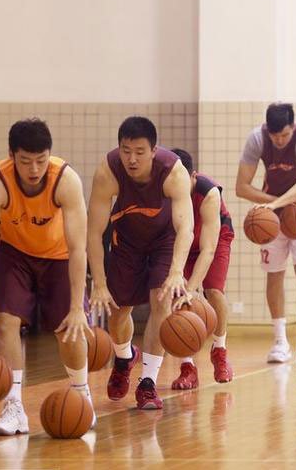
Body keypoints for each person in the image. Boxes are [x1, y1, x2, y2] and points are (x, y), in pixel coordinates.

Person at [0, 118, 93, 435]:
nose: (34, 169)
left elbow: (78, 248)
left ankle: (81, 394)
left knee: (69, 328)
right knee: (6, 322)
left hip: (59, 255)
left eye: (41, 160)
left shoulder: (66, 180)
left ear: (49, 154)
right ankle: (13, 408)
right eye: (25, 161)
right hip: (15, 253)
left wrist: (77, 306)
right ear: (12, 155)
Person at [86, 116, 194, 410]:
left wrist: (176, 272)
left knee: (161, 300)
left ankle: (147, 382)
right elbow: (93, 232)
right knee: (118, 311)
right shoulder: (108, 171)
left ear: (154, 150)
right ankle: (124, 357)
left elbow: (186, 227)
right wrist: (99, 283)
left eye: (139, 152)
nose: (131, 159)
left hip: (164, 239)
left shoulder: (173, 172)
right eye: (126, 151)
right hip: (127, 240)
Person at [236, 103, 296, 366]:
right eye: (275, 136)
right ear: (268, 130)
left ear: (293, 127)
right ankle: (280, 341)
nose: (280, 140)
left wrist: (276, 204)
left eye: (284, 135)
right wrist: (273, 205)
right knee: (274, 275)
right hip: (272, 215)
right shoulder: (257, 139)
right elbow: (241, 187)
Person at [169, 148, 236, 389]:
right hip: (182, 239)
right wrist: (183, 287)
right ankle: (187, 367)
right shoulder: (165, 191)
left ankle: (220, 351)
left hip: (214, 239)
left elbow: (208, 250)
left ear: (193, 176)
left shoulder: (208, 193)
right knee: (175, 294)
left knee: (214, 291)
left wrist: (192, 288)